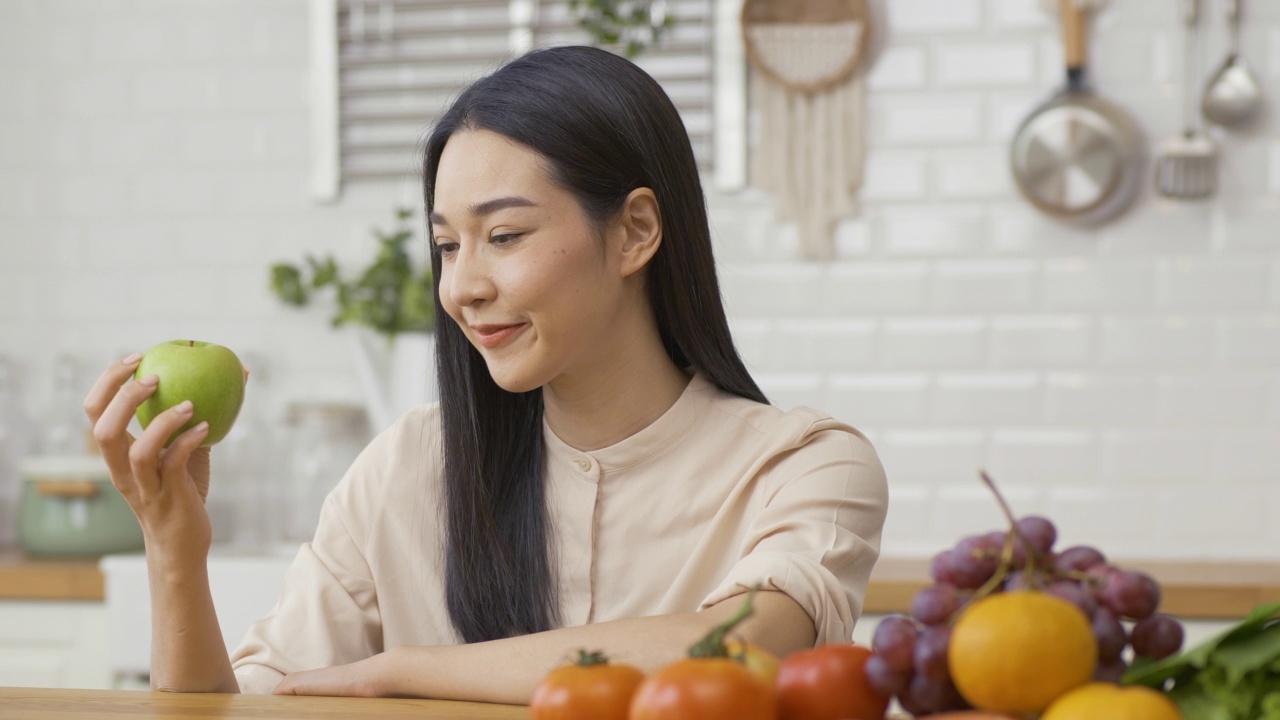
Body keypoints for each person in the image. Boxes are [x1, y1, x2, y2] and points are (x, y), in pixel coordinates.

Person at [84, 45, 888, 703]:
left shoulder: (803, 466)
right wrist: (174, 551)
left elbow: (736, 643)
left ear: (636, 231)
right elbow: (240, 710)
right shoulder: (404, 471)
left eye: (503, 235)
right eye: (446, 245)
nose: (461, 287)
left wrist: (404, 670)